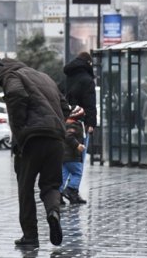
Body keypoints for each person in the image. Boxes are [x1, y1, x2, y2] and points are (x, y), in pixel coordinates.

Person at [0, 58, 70, 247]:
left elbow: (16, 95)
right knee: (51, 185)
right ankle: (53, 212)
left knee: (26, 187)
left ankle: (30, 236)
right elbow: (65, 107)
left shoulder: (11, 75)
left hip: (32, 140)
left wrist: (20, 131)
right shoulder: (44, 77)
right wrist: (57, 125)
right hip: (56, 138)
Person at [61, 51, 96, 204]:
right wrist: (91, 123)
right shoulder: (87, 80)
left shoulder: (67, 78)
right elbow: (90, 103)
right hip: (80, 123)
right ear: (88, 64)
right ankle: (73, 190)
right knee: (78, 161)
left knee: (64, 160)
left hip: (64, 121)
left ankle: (59, 190)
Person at [60, 105, 87, 205]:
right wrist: (77, 145)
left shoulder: (66, 123)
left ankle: (58, 194)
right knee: (77, 173)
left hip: (64, 156)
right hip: (73, 156)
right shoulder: (75, 125)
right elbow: (69, 136)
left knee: (64, 175)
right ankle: (71, 189)